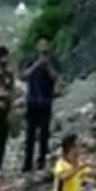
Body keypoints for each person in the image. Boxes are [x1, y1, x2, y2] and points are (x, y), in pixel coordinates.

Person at [23, 37, 60, 172]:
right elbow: (24, 75)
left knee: (44, 134)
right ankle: (27, 162)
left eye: (45, 45)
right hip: (32, 101)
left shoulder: (53, 60)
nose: (43, 47)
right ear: (37, 47)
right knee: (30, 134)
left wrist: (48, 66)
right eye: (41, 45)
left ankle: (42, 161)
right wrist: (36, 65)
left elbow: (56, 77)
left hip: (46, 101)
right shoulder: (31, 59)